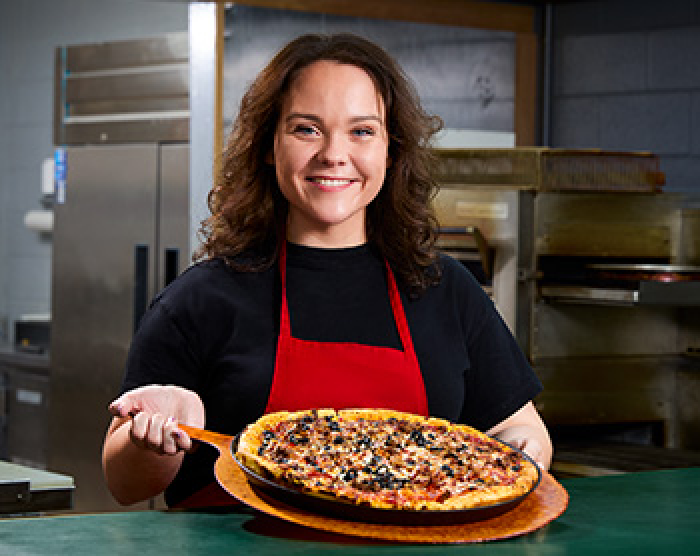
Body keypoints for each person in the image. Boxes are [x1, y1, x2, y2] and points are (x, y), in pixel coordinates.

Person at [102, 33, 552, 508]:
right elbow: (125, 484)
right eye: (306, 129)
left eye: (362, 131)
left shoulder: (443, 288)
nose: (334, 154)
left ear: (390, 152)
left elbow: (519, 425)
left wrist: (523, 451)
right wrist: (149, 441)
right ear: (269, 147)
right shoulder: (200, 299)